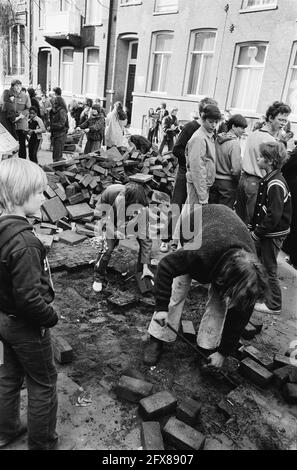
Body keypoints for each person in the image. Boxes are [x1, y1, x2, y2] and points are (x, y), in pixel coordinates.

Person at [143, 204, 268, 368]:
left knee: (220, 303)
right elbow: (165, 266)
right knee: (178, 288)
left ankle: (207, 346)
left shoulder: (251, 280)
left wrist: (223, 352)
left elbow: (240, 315)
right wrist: (161, 309)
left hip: (227, 236)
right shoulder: (199, 253)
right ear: (225, 279)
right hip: (194, 227)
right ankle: (158, 337)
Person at [0, 159, 60, 450]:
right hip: (25, 326)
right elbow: (28, 299)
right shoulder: (25, 243)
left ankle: (6, 430)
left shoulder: (3, 231)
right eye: (39, 192)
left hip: (3, 320)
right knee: (43, 383)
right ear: (22, 194)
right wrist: (51, 317)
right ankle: (43, 443)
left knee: (7, 377)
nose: (44, 197)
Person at [159, 98, 218, 253]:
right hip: (185, 172)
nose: (214, 124)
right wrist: (190, 161)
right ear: (202, 114)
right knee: (176, 206)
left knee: (189, 211)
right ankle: (165, 239)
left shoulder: (211, 130)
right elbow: (177, 149)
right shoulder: (191, 128)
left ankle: (178, 241)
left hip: (196, 175)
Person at [251, 142, 292, 315]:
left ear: (269, 161)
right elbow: (263, 209)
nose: (258, 158)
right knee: (261, 264)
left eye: (261, 156)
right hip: (269, 231)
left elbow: (274, 215)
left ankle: (274, 304)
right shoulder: (271, 179)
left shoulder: (275, 184)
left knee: (269, 267)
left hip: (273, 233)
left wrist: (257, 232)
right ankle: (261, 296)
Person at [236, 101, 291, 225]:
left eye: (285, 121)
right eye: (280, 119)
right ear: (270, 118)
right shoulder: (270, 141)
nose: (283, 124)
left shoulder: (253, 134)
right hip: (256, 184)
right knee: (252, 223)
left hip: (244, 180)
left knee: (239, 221)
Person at [92, 183, 154, 293]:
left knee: (145, 248)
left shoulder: (144, 209)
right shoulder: (114, 196)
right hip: (110, 217)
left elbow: (146, 240)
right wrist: (115, 232)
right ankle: (98, 276)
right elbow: (102, 217)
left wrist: (146, 266)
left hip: (130, 221)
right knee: (107, 248)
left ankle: (142, 274)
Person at [185, 104, 222, 206]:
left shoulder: (208, 136)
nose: (214, 125)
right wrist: (202, 196)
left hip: (202, 184)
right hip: (198, 185)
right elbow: (197, 169)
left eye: (216, 122)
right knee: (193, 217)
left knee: (190, 214)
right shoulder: (199, 138)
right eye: (210, 122)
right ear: (203, 119)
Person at [209, 114, 248, 209]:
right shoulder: (234, 144)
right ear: (233, 126)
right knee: (224, 217)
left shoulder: (217, 140)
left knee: (212, 213)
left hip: (214, 181)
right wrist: (237, 182)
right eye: (242, 128)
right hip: (227, 185)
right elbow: (236, 170)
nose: (244, 131)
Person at [282, 147, 297, 268]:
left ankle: (290, 251)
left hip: (293, 189)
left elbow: (286, 166)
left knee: (291, 219)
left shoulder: (294, 155)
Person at [10, 79, 31, 159]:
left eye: (20, 85)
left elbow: (29, 109)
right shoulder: (9, 95)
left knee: (22, 143)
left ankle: (22, 160)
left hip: (22, 123)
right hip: (11, 122)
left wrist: (21, 115)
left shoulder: (25, 96)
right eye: (16, 85)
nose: (18, 87)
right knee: (12, 143)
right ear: (12, 87)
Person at [50, 96, 69, 162]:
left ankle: (58, 170)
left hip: (61, 134)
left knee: (57, 155)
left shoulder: (62, 111)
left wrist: (52, 126)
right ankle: (56, 169)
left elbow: (61, 124)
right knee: (55, 155)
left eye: (55, 102)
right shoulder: (56, 111)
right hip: (56, 134)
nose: (54, 103)